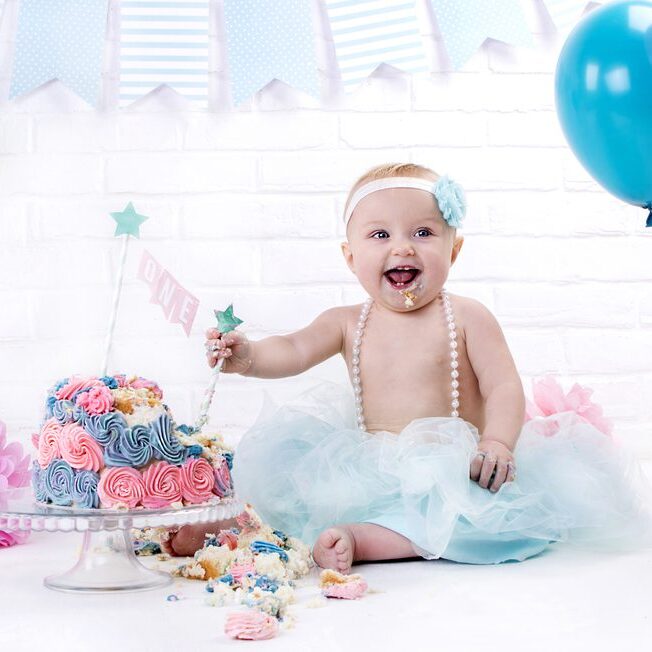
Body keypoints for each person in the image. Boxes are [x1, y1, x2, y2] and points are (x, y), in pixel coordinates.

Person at [168, 162, 652, 571]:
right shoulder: (345, 322)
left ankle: (359, 539)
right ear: (350, 255)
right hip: (367, 465)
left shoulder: (467, 315)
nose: (402, 247)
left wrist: (497, 442)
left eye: (423, 232)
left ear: (453, 249)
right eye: (380, 235)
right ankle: (232, 529)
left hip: (456, 469)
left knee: (483, 527)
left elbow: (504, 385)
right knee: (295, 497)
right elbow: (293, 349)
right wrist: (248, 357)